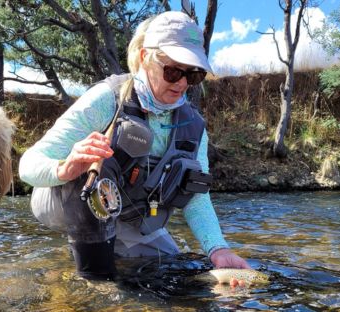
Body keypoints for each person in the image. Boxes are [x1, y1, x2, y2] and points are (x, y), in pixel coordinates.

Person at [19, 11, 251, 282]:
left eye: (193, 74)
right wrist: (64, 167)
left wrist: (218, 249)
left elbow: (197, 196)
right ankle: (95, 280)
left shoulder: (194, 128)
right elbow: (28, 164)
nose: (182, 83)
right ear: (144, 58)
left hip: (132, 220)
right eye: (173, 70)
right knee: (89, 160)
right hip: (63, 202)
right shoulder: (107, 99)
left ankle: (108, 248)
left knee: (174, 277)